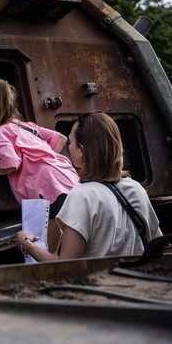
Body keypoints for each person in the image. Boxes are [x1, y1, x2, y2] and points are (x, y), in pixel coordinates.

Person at [16, 111, 163, 261]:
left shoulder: (81, 195)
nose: (69, 147)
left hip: (100, 283)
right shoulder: (137, 189)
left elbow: (67, 265)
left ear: (81, 150)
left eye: (71, 142)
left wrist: (28, 246)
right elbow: (157, 245)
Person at [0, 79, 80, 253]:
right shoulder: (27, 126)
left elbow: (11, 163)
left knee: (47, 253)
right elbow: (61, 138)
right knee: (72, 246)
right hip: (69, 180)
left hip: (50, 192)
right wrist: (42, 159)